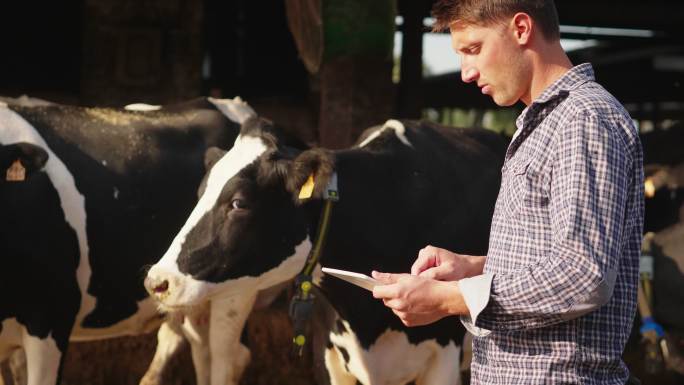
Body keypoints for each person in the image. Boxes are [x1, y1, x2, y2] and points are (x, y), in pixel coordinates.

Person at [371, 1, 644, 384]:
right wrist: (471, 266)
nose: (466, 72)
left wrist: (452, 298)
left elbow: (584, 274)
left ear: (520, 29)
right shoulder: (544, 123)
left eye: (473, 49)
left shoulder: (584, 119)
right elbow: (554, 256)